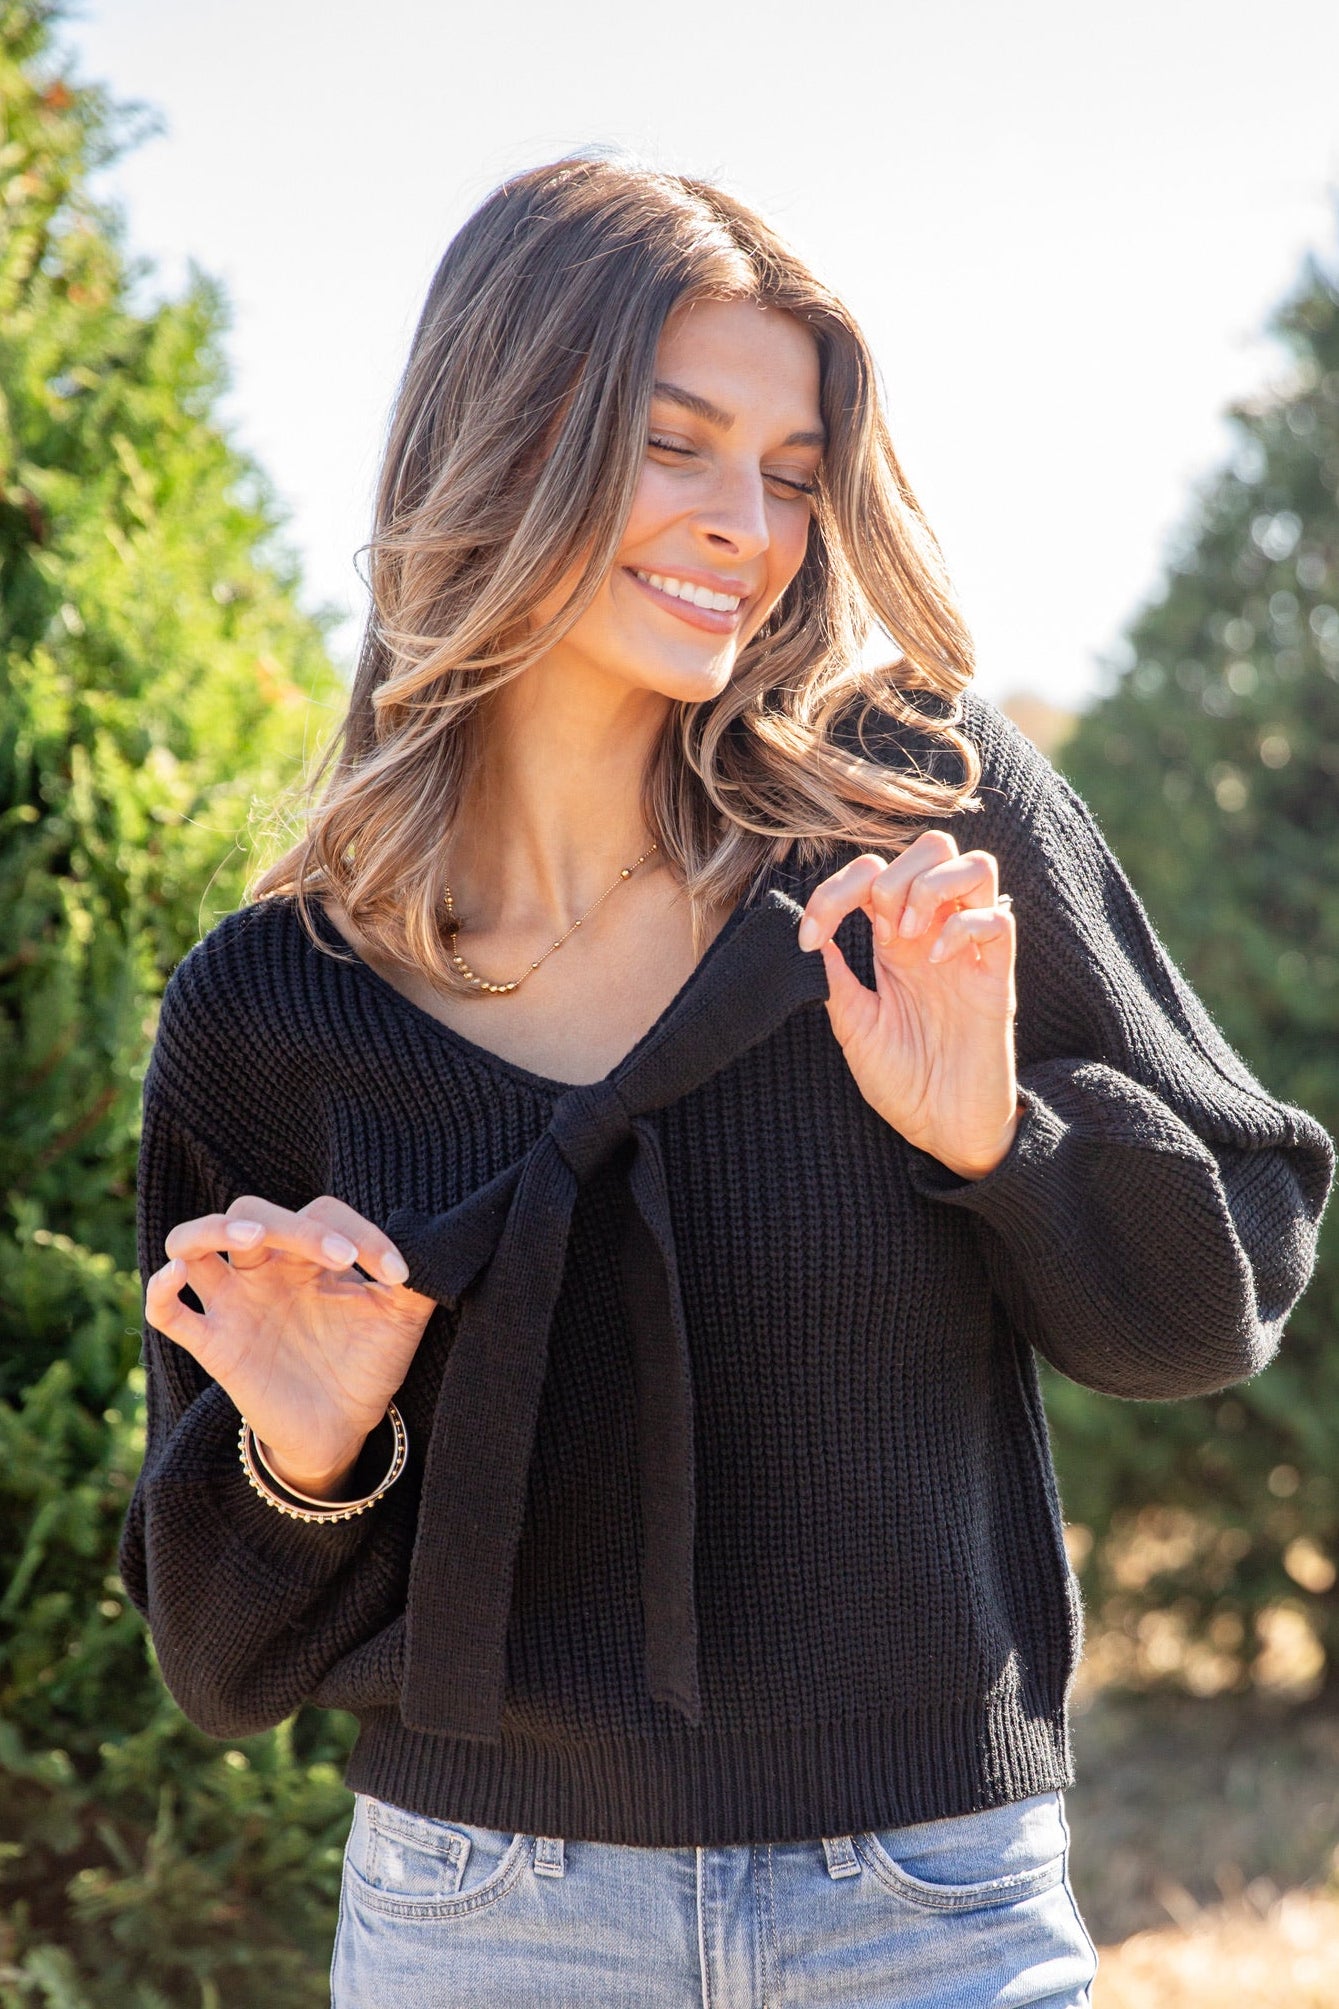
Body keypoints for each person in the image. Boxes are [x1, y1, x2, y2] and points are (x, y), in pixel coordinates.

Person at [119, 156, 1334, 2009]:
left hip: (926, 1911)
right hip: (484, 1920)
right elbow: (222, 1655)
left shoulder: (916, 830)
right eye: (676, 444)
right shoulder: (274, 1007)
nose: (746, 525)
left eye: (787, 469)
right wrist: (312, 1451)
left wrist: (1000, 1139)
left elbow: (1214, 1296)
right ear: (501, 435)